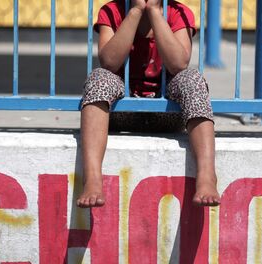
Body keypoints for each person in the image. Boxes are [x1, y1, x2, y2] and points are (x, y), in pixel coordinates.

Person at [76, 0, 220, 207]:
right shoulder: (111, 11)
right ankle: (92, 178)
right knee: (99, 78)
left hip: (167, 113)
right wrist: (135, 11)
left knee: (192, 79)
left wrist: (153, 10)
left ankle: (207, 176)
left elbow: (179, 63)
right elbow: (109, 62)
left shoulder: (178, 13)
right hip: (121, 112)